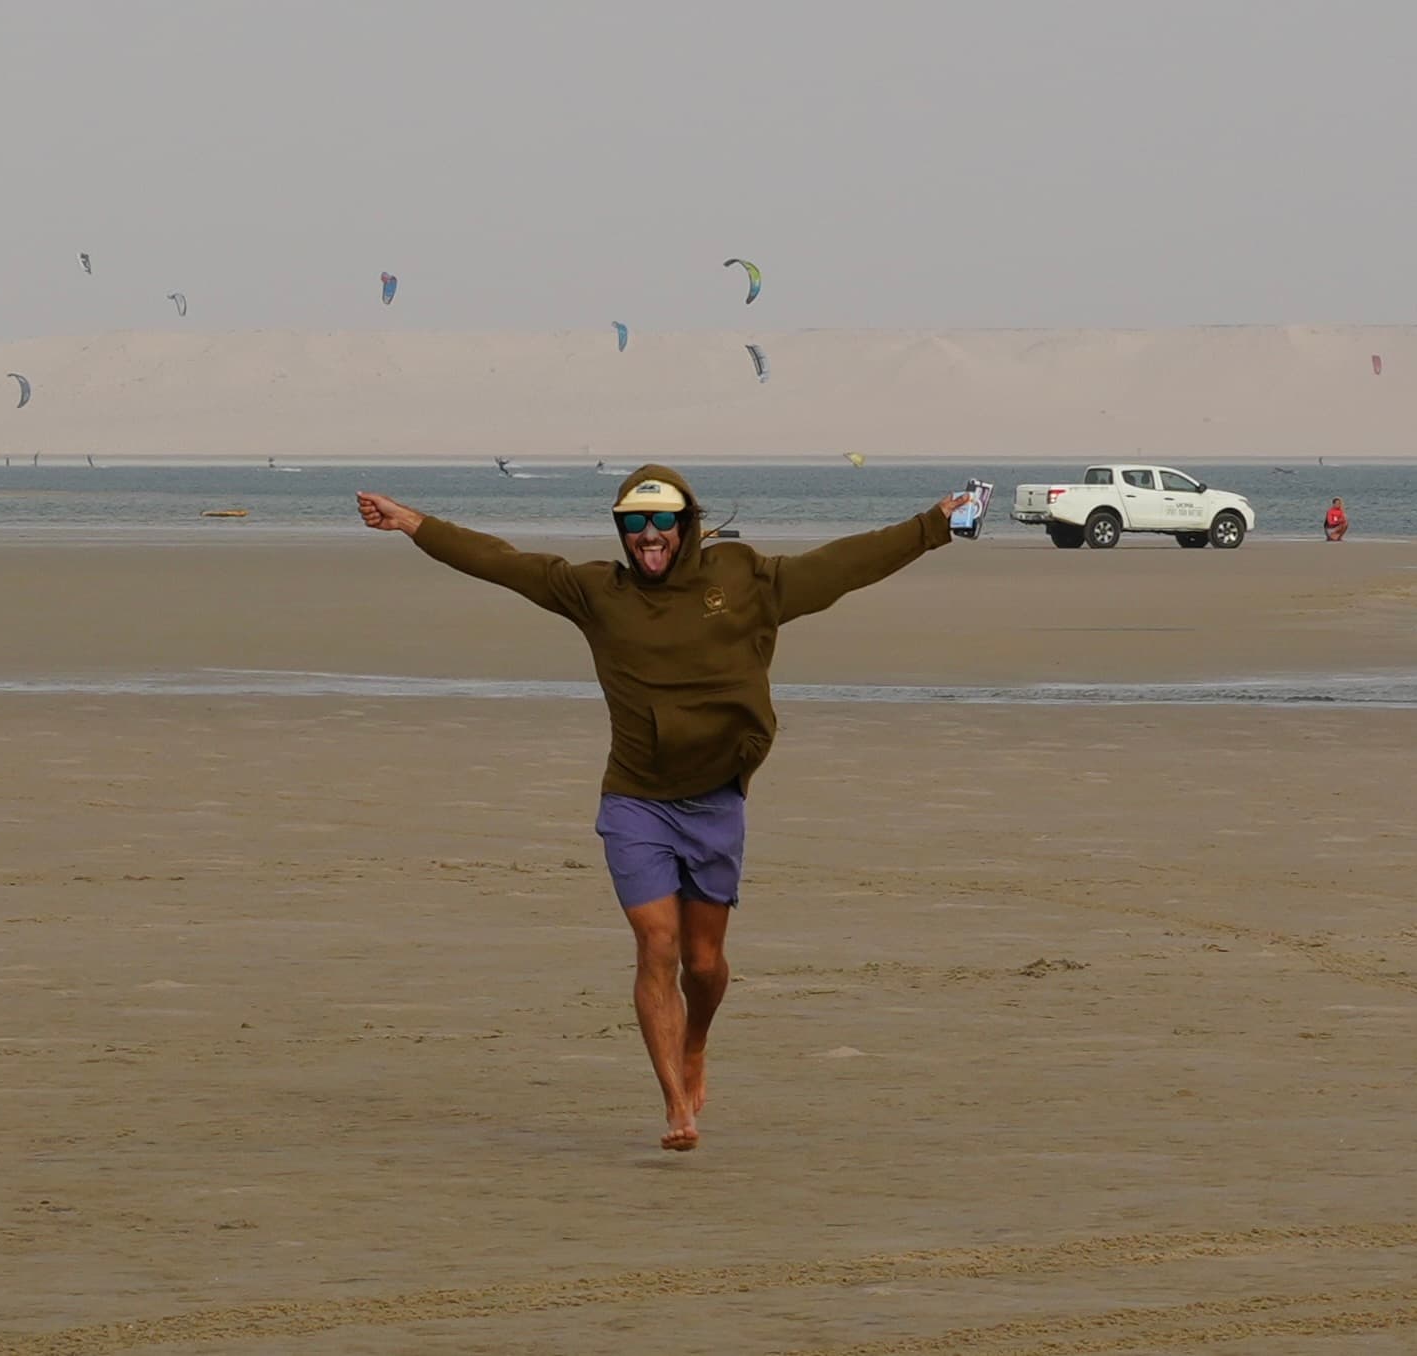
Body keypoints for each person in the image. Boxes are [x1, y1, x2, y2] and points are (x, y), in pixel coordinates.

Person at [356, 466, 968, 1152]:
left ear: (687, 525)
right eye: (634, 525)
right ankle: (676, 1106)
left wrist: (938, 523)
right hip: (635, 798)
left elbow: (845, 564)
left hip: (714, 800)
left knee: (703, 965)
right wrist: (412, 522)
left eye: (661, 523)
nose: (648, 536)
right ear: (621, 531)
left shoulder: (743, 580)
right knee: (656, 945)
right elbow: (502, 562)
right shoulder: (594, 592)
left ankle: (696, 1042)